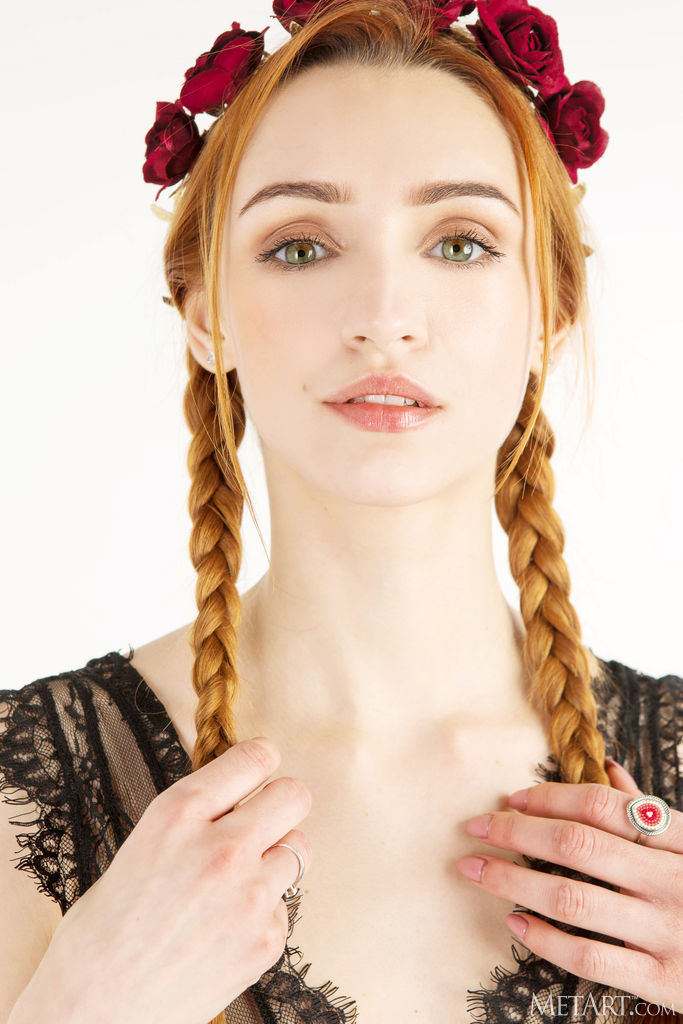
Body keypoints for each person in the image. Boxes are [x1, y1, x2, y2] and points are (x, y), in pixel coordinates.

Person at [1, 2, 682, 1023]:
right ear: (203, 312)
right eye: (300, 246)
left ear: (548, 310)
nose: (383, 318)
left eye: (460, 243)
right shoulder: (25, 787)